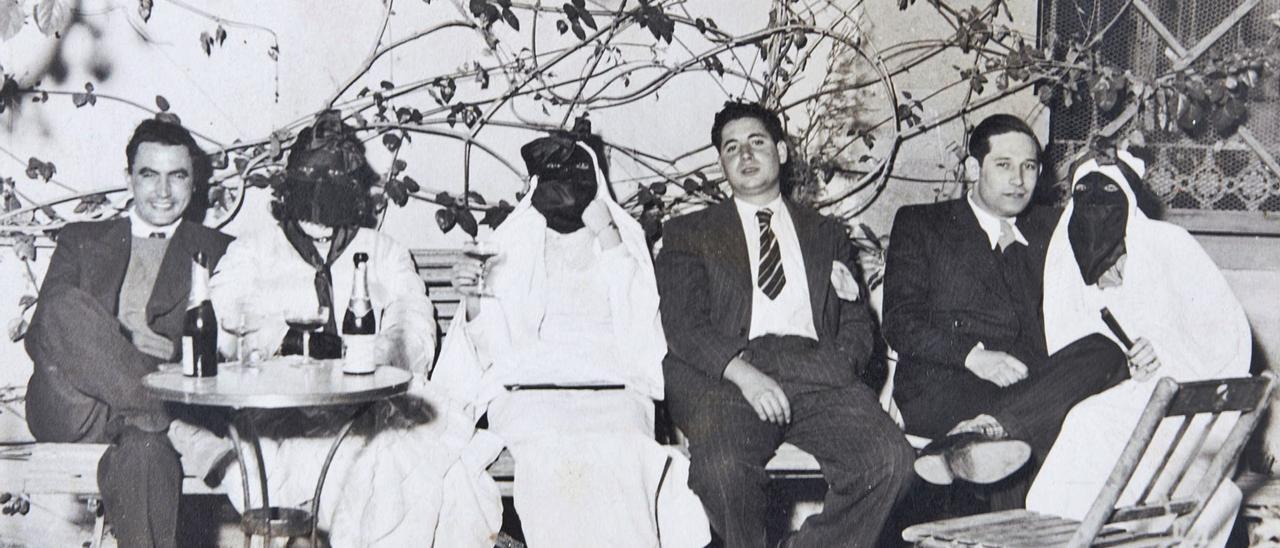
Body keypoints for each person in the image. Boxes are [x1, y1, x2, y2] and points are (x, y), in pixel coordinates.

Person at [209, 110, 498, 547]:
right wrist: (287, 339)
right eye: (308, 206)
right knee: (354, 467)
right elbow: (220, 322)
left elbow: (414, 326)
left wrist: (374, 358)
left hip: (369, 408)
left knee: (389, 462)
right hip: (281, 413)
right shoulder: (252, 252)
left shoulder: (383, 252)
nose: (320, 223)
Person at [654, 101, 914, 548]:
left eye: (756, 142)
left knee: (890, 463)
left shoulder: (826, 233)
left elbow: (855, 318)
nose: (745, 155)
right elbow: (682, 324)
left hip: (816, 370)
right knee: (721, 470)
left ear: (781, 150)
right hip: (730, 375)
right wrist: (743, 374)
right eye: (731, 148)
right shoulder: (689, 232)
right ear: (722, 164)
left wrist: (839, 365)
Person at [433, 130, 710, 548]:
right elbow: (491, 348)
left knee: (621, 458)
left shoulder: (621, 237)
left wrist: (608, 236)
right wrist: (473, 299)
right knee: (556, 462)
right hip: (534, 400)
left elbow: (641, 331)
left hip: (614, 395)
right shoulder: (514, 240)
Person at [882, 113, 1129, 509]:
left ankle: (984, 433)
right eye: (1004, 165)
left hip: (1029, 386)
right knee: (1030, 441)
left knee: (1107, 350)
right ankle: (991, 436)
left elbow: (1099, 299)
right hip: (949, 380)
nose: (1019, 179)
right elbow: (900, 321)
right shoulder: (923, 223)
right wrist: (972, 357)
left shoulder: (1051, 229)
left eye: (1029, 167)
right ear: (972, 169)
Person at [24, 118, 233, 548]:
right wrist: (123, 349)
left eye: (177, 176)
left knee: (147, 454)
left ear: (195, 183)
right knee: (60, 306)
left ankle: (160, 418)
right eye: (149, 174)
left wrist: (176, 358)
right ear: (128, 180)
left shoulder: (219, 249)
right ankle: (169, 419)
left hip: (151, 423)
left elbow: (227, 347)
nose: (162, 191)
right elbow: (45, 332)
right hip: (74, 406)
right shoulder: (80, 237)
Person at [1025, 149, 1251, 546]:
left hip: (1191, 396)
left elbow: (1226, 338)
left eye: (1108, 192)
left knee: (1088, 425)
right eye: (1084, 194)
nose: (1095, 204)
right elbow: (1074, 348)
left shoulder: (1170, 245)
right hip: (1124, 394)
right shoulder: (1068, 257)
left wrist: (1164, 352)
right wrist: (1127, 365)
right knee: (1084, 421)